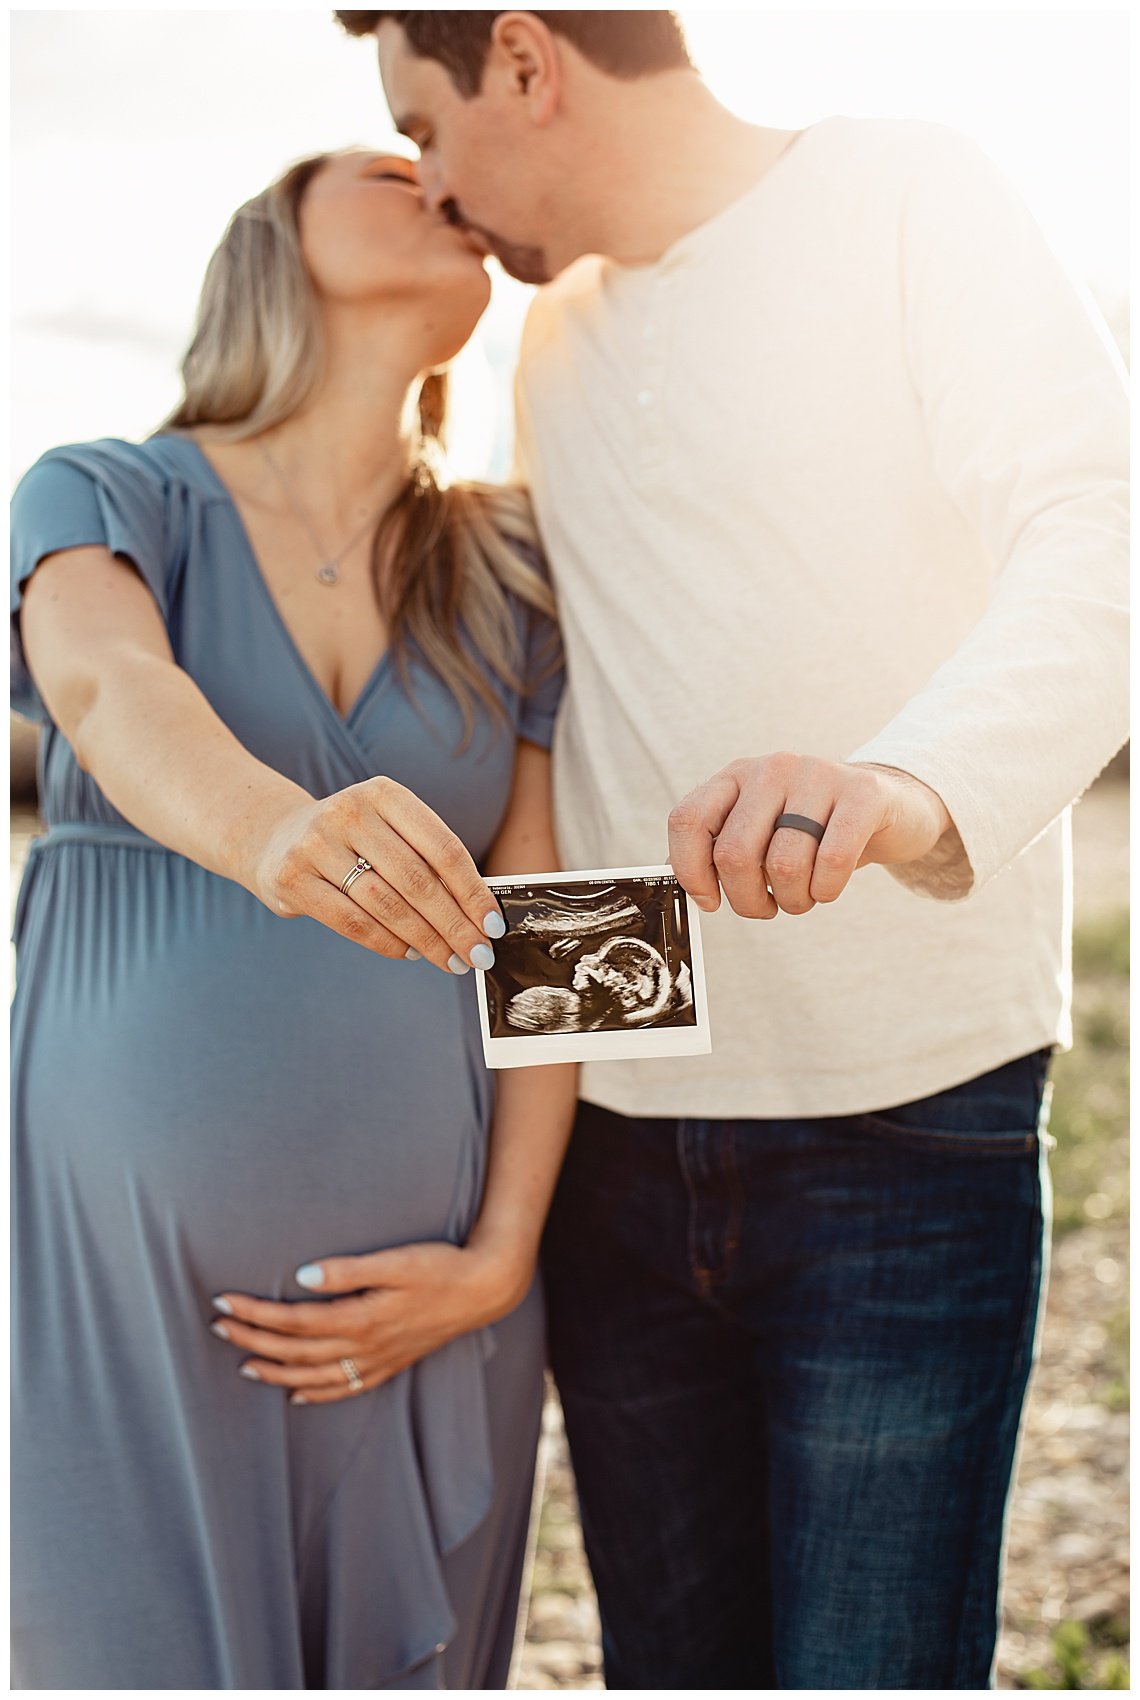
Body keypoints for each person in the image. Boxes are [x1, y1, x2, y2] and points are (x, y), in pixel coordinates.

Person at [335, 10, 1131, 1689]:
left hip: (905, 1136)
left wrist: (905, 788)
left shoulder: (909, 193)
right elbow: (570, 728)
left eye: (428, 122)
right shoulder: (552, 345)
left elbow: (1100, 531)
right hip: (616, 1151)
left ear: (528, 65)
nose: (434, 183)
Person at [9, 145, 577, 1689]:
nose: (437, 176)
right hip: (123, 1292)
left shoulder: (510, 569)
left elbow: (548, 931)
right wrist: (278, 834)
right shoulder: (105, 489)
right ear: (269, 245)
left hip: (432, 1294)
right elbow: (104, 686)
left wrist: (504, 1256)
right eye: (391, 163)